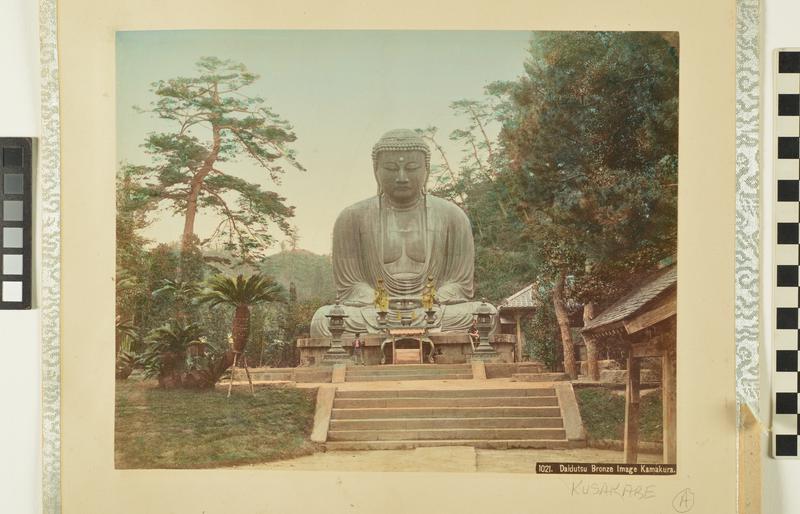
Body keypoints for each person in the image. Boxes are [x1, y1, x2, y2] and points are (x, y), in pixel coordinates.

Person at [310, 129, 497, 336]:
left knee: (488, 313)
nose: (401, 177)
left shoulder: (453, 216)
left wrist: (433, 298)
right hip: (376, 311)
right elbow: (350, 286)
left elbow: (460, 284)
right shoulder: (351, 217)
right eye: (390, 168)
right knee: (322, 319)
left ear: (426, 170)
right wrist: (379, 301)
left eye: (411, 168)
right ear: (376, 171)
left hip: (433, 310)